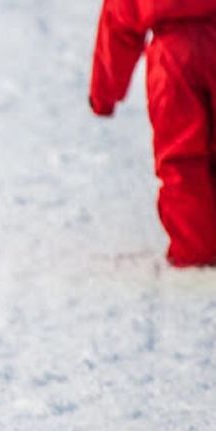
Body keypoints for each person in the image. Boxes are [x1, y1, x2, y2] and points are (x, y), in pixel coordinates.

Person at [89, 0, 216, 267]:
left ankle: (196, 249)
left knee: (181, 158)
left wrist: (104, 93)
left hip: (172, 61)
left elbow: (117, 20)